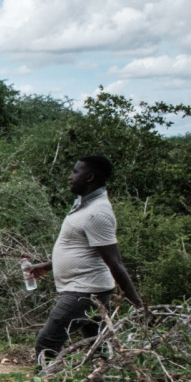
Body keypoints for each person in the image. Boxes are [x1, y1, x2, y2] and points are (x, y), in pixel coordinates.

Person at [27, 155, 146, 363]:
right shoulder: (84, 205)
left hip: (84, 291)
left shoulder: (97, 213)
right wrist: (48, 265)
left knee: (47, 342)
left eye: (75, 172)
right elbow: (83, 249)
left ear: (89, 177)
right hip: (88, 289)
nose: (70, 177)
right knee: (98, 347)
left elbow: (114, 262)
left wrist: (137, 304)